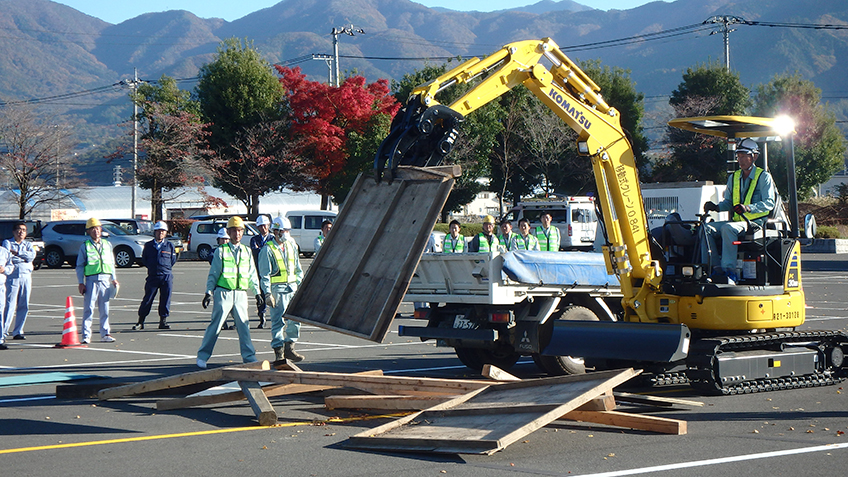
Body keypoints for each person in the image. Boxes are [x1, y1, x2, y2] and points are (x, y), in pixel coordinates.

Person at [701, 138, 776, 283]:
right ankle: (713, 269)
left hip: (755, 223)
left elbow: (769, 203)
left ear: (754, 156)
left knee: (728, 228)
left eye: (743, 156)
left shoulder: (763, 177)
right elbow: (729, 203)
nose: (740, 160)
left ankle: (729, 272)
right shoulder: (734, 177)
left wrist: (748, 208)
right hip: (738, 222)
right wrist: (716, 207)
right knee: (705, 228)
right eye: (738, 156)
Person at [197, 216, 263, 368]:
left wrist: (257, 292)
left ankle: (249, 357)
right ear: (228, 232)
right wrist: (208, 292)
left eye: (239, 230)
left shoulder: (247, 251)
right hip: (224, 292)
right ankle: (202, 356)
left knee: (244, 327)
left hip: (240, 293)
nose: (237, 234)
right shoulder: (221, 251)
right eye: (234, 231)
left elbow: (252, 273)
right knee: (216, 325)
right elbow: (213, 273)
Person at [257, 217, 304, 362]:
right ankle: (279, 351)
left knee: (295, 320)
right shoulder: (267, 249)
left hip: (292, 288)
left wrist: (301, 285)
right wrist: (267, 293)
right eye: (284, 231)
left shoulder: (291, 245)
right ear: (276, 232)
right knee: (278, 322)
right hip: (277, 290)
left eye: (288, 231)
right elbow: (264, 274)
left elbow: (297, 268)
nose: (286, 234)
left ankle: (290, 346)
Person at [75, 218, 119, 344]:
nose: (96, 231)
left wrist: (114, 279)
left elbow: (111, 263)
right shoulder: (85, 246)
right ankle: (86, 335)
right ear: (88, 231)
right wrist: (80, 282)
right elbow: (80, 265)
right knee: (88, 308)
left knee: (105, 309)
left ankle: (105, 333)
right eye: (93, 229)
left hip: (105, 279)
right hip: (91, 280)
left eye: (98, 228)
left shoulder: (107, 244)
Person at [134, 221, 177, 330]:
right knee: (147, 299)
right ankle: (141, 321)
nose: (160, 233)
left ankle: (163, 321)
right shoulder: (148, 245)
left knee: (165, 299)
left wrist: (164, 268)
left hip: (166, 276)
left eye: (162, 231)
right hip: (153, 276)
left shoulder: (170, 246)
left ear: (166, 233)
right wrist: (153, 268)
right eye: (158, 231)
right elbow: (145, 259)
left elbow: (173, 260)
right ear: (155, 232)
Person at [3, 222, 35, 340]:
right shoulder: (8, 242)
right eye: (18, 229)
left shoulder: (28, 244)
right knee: (10, 304)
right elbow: (9, 257)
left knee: (24, 304)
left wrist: (18, 253)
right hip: (13, 276)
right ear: (13, 231)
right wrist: (22, 257)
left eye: (23, 230)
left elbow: (31, 257)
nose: (21, 232)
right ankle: (4, 332)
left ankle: (18, 331)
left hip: (26, 276)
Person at [250, 215, 273, 329]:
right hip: (259, 271)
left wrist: (263, 249)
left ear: (268, 225)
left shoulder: (273, 238)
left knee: (272, 294)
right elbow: (255, 252)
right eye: (260, 226)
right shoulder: (254, 239)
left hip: (272, 272)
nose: (263, 228)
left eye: (265, 225)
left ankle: (275, 317)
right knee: (260, 296)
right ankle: (262, 317)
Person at [211, 228, 235, 330]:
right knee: (220, 305)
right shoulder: (216, 252)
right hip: (219, 283)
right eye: (222, 239)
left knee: (233, 306)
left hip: (231, 283)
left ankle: (236, 322)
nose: (224, 241)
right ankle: (222, 322)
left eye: (226, 239)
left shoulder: (233, 251)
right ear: (218, 240)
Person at [0, 247, 14, 350]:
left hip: (0, 286)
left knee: (0, 313)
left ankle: (0, 340)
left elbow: (10, 266)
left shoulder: (4, 251)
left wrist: (5, 269)